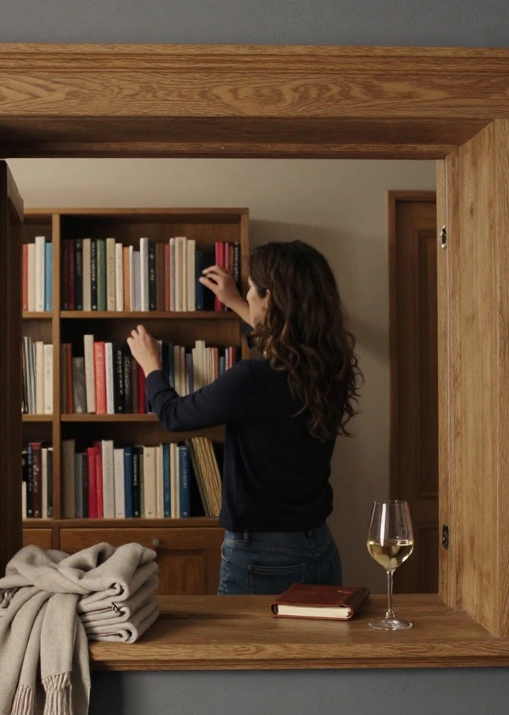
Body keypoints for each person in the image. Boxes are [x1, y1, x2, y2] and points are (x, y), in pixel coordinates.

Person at [126, 240, 362, 595]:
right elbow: (285, 345)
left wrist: (151, 367)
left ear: (268, 299)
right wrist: (236, 300)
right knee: (311, 652)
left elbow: (174, 415)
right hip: (319, 548)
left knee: (245, 651)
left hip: (261, 556)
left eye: (251, 289)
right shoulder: (328, 369)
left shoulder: (251, 378)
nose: (247, 295)